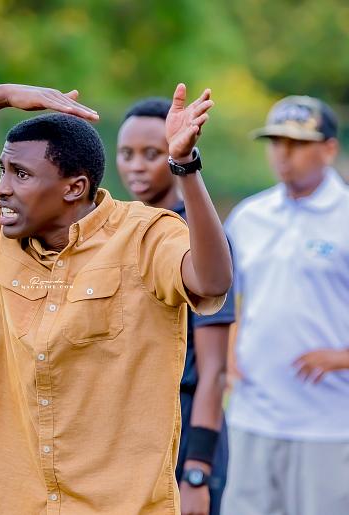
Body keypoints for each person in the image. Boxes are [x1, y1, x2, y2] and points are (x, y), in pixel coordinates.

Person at [0, 83, 232, 514]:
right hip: (15, 502)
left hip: (120, 505)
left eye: (20, 174)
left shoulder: (146, 235)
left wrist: (185, 166)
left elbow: (212, 281)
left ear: (74, 188)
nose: (1, 188)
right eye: (3, 170)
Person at [221, 96, 349, 515]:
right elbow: (223, 298)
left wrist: (342, 357)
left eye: (297, 143)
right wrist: (228, 352)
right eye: (276, 142)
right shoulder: (249, 216)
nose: (283, 153)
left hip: (330, 422)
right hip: (253, 413)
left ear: (329, 148)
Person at [116, 97, 235, 515]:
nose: (136, 166)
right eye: (126, 154)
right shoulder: (119, 227)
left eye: (151, 154)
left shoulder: (199, 237)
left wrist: (197, 471)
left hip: (184, 429)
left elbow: (214, 370)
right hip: (130, 431)